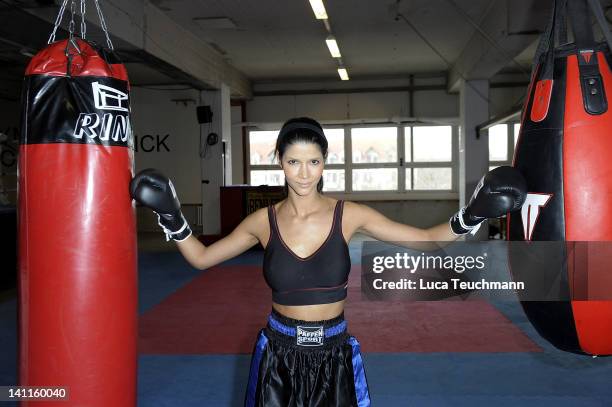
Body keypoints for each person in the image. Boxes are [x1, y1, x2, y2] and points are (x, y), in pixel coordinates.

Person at [130, 117, 527, 406]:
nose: (304, 173)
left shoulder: (350, 215)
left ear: (325, 163)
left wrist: (474, 214)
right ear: (280, 162)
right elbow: (201, 258)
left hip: (334, 354)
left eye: (314, 162)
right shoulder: (261, 222)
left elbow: (425, 240)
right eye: (293, 162)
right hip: (277, 353)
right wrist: (172, 216)